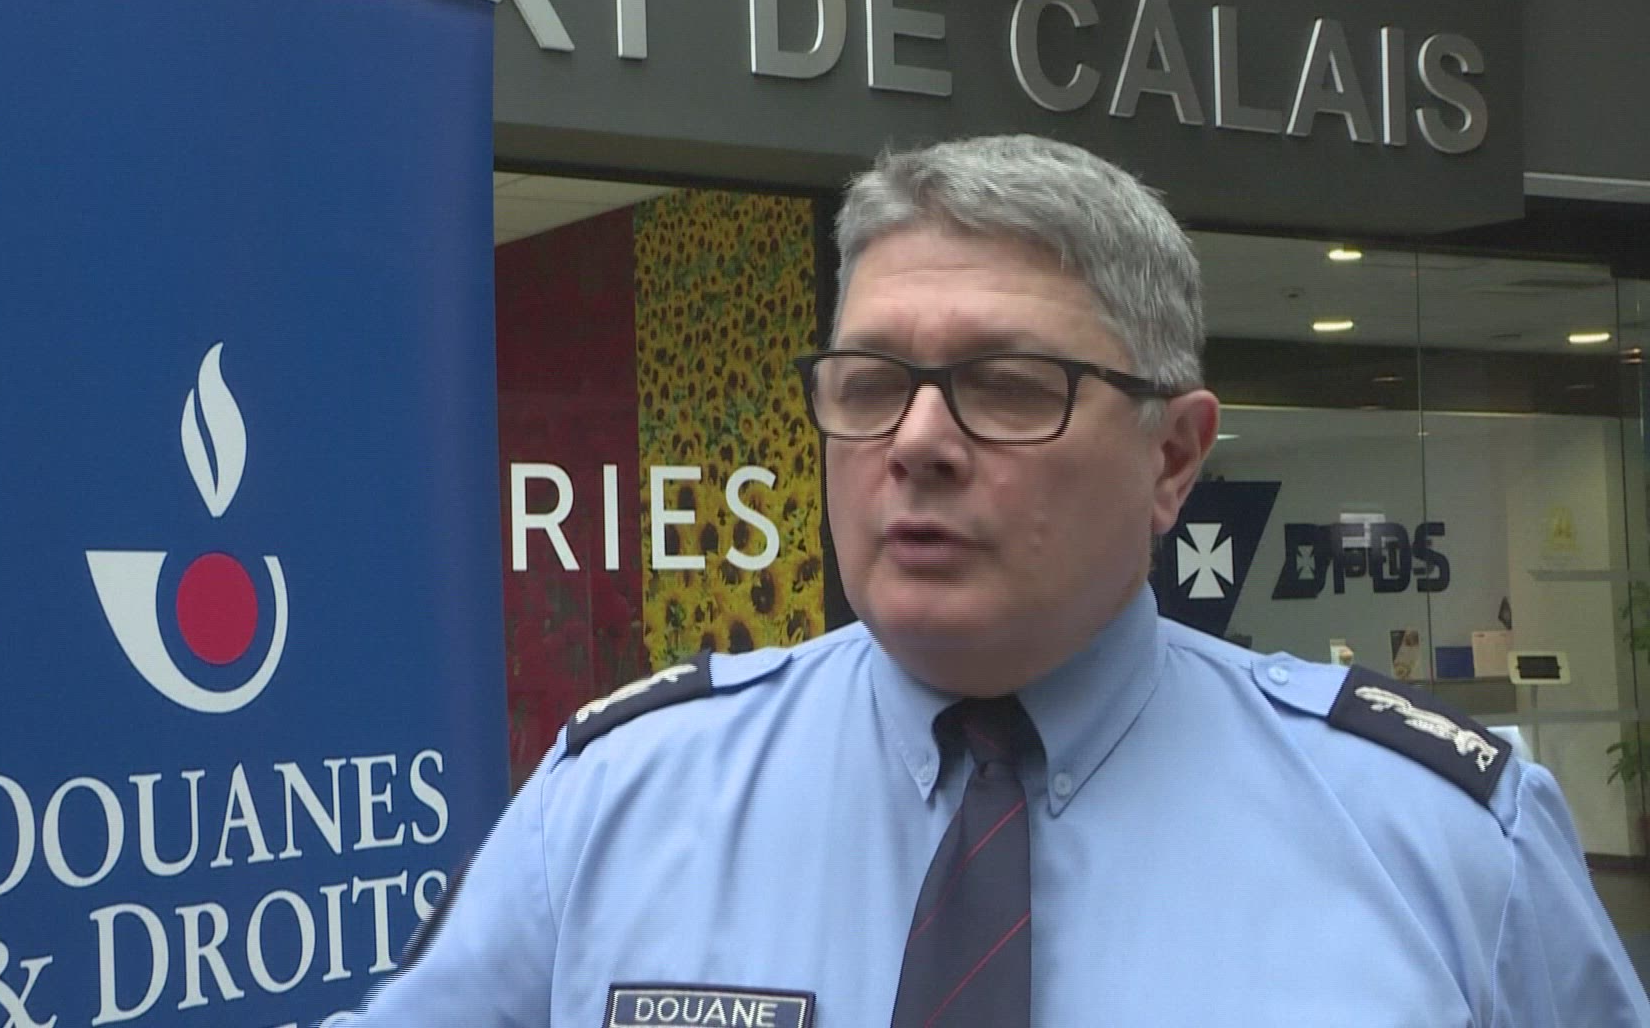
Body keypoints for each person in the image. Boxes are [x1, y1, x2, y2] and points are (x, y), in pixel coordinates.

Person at [339, 135, 1650, 1026]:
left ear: (1174, 458)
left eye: (1009, 386)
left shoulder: (1444, 844)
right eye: (870, 384)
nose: (916, 441)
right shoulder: (616, 803)